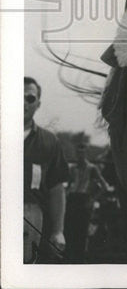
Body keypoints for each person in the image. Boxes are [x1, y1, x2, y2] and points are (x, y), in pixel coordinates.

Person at [23, 77, 69, 262]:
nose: (23, 103)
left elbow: (56, 190)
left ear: (38, 104)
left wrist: (58, 231)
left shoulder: (49, 142)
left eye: (30, 98)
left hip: (31, 219)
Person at [65, 140, 112, 262]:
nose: (80, 155)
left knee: (82, 231)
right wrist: (65, 196)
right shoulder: (72, 168)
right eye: (78, 153)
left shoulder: (92, 168)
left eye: (82, 153)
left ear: (85, 153)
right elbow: (68, 184)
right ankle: (70, 258)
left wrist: (92, 199)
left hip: (83, 200)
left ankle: (80, 258)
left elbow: (104, 186)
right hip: (72, 200)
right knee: (70, 230)